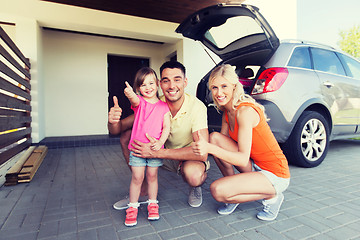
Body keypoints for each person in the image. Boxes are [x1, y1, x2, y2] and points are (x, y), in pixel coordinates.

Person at [191, 64, 290, 221]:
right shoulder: (227, 112)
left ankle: (273, 196)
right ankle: (233, 193)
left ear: (234, 86)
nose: (219, 93)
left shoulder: (245, 112)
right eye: (214, 88)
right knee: (215, 138)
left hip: (275, 173)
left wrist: (208, 147)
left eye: (224, 86)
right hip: (255, 166)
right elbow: (221, 150)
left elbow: (242, 158)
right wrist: (208, 145)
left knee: (217, 190)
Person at [108, 61, 209, 211]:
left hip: (184, 156)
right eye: (166, 81)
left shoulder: (197, 107)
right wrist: (112, 122)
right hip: (160, 154)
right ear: (159, 84)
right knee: (126, 136)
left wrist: (159, 152)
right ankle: (141, 188)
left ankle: (195, 187)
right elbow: (118, 129)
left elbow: (202, 153)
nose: (171, 86)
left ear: (185, 82)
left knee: (194, 176)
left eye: (177, 79)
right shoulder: (153, 102)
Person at [119, 67, 170, 227]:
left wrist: (160, 143)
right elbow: (134, 100)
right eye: (143, 85)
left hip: (155, 150)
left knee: (152, 176)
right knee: (137, 177)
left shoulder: (164, 106)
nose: (148, 87)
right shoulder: (140, 102)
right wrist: (131, 94)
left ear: (157, 83)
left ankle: (152, 204)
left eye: (151, 83)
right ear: (138, 88)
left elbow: (166, 127)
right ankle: (132, 207)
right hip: (137, 149)